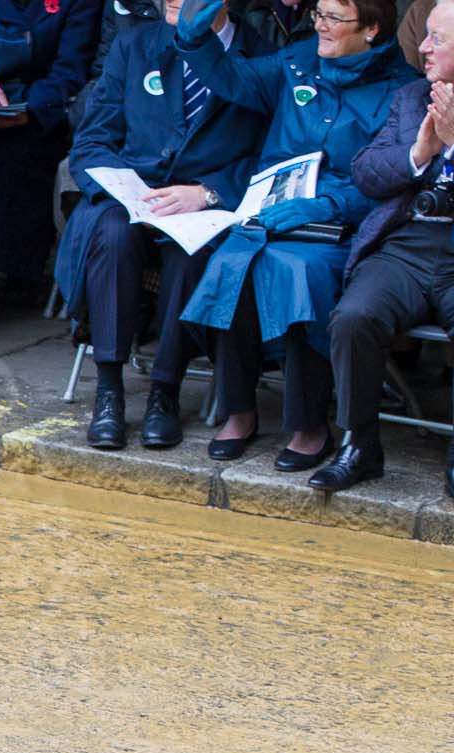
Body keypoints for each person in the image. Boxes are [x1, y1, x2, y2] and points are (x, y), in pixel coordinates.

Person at [174, 0, 410, 474]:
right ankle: (238, 410)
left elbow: (395, 177)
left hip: (340, 227)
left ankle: (309, 424)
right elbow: (233, 79)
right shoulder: (297, 60)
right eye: (318, 14)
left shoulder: (402, 89)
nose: (319, 25)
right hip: (271, 212)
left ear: (371, 29)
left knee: (299, 274)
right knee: (232, 264)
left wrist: (330, 204)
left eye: (333, 18)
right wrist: (193, 39)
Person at [57, 0, 269, 449]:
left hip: (206, 206)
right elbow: (92, 139)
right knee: (110, 233)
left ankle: (165, 392)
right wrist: (127, 191)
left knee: (191, 252)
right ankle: (109, 390)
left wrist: (208, 193)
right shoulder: (134, 45)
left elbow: (271, 158)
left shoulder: (261, 56)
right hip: (132, 199)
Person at [328, 0, 454, 509]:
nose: (421, 48)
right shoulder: (413, 96)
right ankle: (360, 444)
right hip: (407, 248)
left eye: (437, 39)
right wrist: (418, 153)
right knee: (354, 315)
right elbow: (366, 172)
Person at [0, 0, 102, 304]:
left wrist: (26, 109)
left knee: (13, 160)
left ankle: (3, 271)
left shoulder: (79, 4)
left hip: (35, 113)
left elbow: (71, 71)